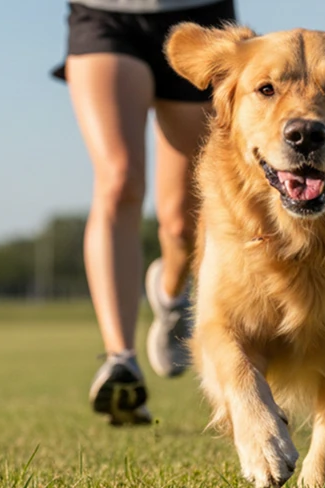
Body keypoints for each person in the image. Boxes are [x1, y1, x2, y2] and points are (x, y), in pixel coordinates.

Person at [51, 0, 237, 425]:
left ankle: (170, 293)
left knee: (184, 223)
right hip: (103, 14)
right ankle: (121, 360)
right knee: (118, 180)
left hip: (198, 15)